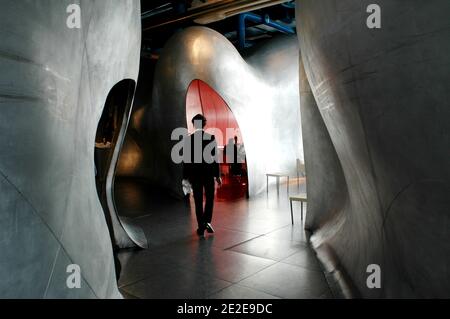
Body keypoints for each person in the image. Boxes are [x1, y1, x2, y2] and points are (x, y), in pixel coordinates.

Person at [183, 114, 222, 237]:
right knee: (210, 199)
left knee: (198, 201)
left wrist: (185, 177)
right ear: (204, 124)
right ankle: (207, 222)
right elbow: (215, 158)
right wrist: (217, 175)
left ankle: (201, 226)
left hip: (195, 175)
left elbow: (186, 160)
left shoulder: (189, 139)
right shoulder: (211, 138)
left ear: (194, 124)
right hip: (208, 174)